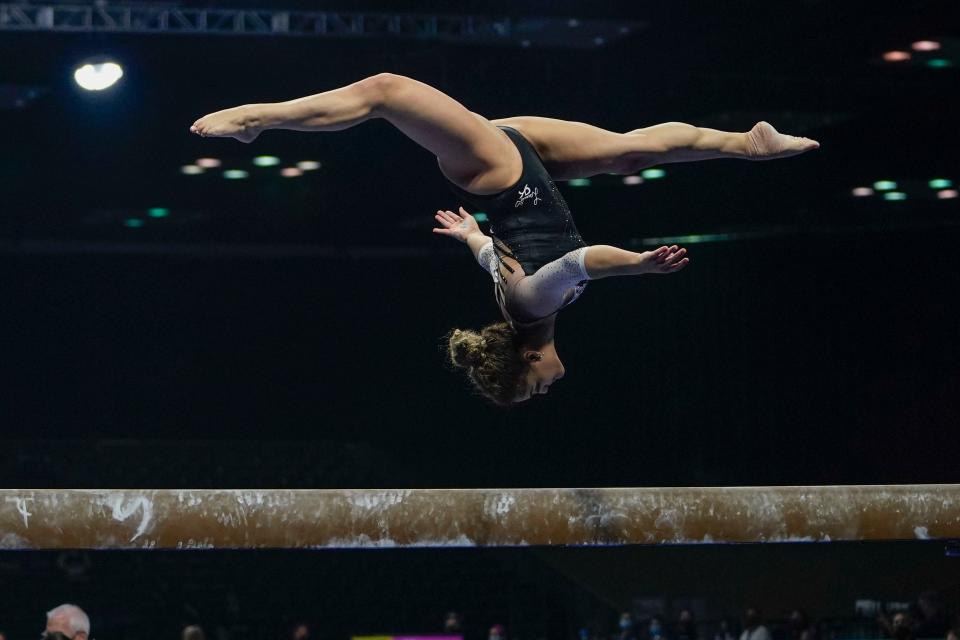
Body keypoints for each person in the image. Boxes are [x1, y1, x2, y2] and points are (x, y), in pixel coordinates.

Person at [192, 73, 818, 404]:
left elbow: (580, 261)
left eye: (537, 386)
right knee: (627, 152)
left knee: (385, 91)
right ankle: (747, 146)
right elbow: (496, 257)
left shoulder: (535, 308)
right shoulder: (519, 308)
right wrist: (470, 236)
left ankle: (256, 119)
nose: (552, 383)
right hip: (523, 165)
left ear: (524, 360)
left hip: (499, 172)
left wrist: (638, 266)